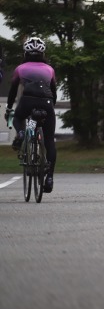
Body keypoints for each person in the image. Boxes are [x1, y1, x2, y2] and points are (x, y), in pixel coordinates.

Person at [5, 37, 58, 194]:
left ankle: (21, 133)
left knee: (18, 117)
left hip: (27, 101)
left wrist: (8, 108)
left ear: (25, 53)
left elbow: (13, 91)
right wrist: (50, 107)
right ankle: (49, 177)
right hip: (47, 103)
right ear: (43, 53)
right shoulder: (50, 70)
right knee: (49, 141)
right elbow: (54, 92)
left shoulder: (20, 68)